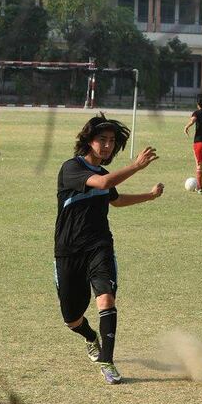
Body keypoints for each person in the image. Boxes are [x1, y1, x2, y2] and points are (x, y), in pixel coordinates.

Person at [54, 113, 164, 385]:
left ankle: (107, 361)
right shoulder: (71, 169)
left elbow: (115, 199)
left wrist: (149, 196)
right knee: (72, 319)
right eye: (102, 140)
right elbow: (103, 185)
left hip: (99, 245)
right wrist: (136, 166)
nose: (107, 146)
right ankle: (91, 337)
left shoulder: (106, 175)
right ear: (89, 141)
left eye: (112, 141)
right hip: (68, 251)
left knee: (106, 298)